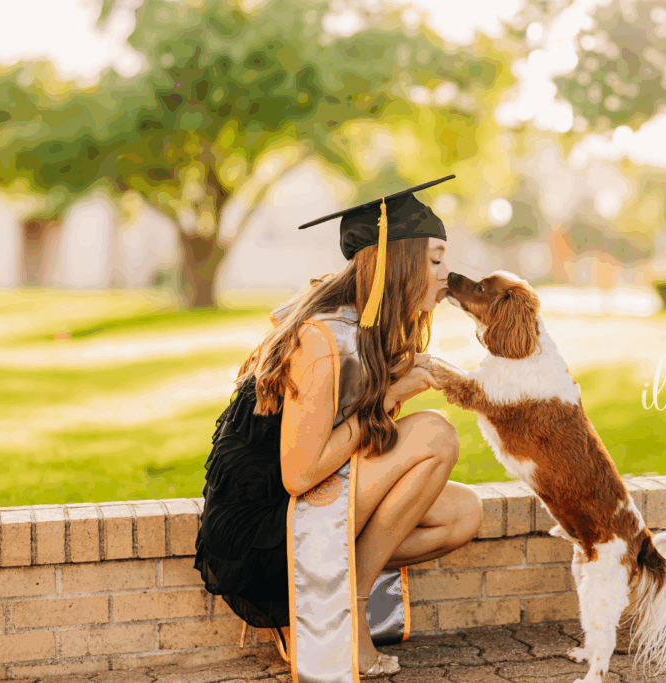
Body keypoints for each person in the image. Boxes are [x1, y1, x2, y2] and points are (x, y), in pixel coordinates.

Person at [194, 176, 483, 679]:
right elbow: (298, 476)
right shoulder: (323, 339)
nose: (446, 274)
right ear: (398, 261)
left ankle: (324, 600)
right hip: (265, 532)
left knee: (463, 513)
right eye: (435, 259)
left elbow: (367, 446)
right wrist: (392, 395)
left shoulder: (372, 329)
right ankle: (345, 612)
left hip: (309, 508)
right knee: (434, 433)